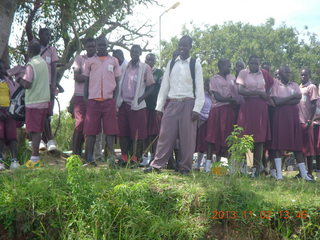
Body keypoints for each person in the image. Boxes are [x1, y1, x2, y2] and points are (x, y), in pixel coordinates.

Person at [145, 35, 205, 174]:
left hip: (189, 103)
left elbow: (200, 88)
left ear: (190, 47)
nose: (183, 48)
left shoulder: (195, 63)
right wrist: (159, 107)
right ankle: (157, 165)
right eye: (181, 45)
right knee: (165, 135)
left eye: (185, 45)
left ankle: (185, 167)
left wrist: (197, 108)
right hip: (172, 103)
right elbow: (164, 86)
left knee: (187, 139)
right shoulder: (172, 63)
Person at [80, 36, 121, 166]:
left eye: (104, 45)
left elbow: (118, 82)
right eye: (100, 45)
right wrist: (86, 98)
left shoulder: (114, 61)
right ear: (96, 46)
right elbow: (86, 81)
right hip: (93, 101)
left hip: (109, 101)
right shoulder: (90, 61)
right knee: (91, 131)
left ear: (107, 45)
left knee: (110, 131)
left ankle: (110, 159)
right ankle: (89, 158)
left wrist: (114, 99)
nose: (102, 47)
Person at [270, 65, 313, 181]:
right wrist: (291, 97)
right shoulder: (275, 85)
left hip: (293, 118)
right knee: (279, 146)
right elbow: (276, 101)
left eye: (289, 72)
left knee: (297, 146)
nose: (288, 74)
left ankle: (304, 174)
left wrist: (286, 100)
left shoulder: (294, 85)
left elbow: (297, 99)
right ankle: (279, 174)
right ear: (280, 73)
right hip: (280, 117)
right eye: (285, 72)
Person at [26, 4, 59, 152]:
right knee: (35, 114)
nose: (49, 37)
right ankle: (40, 141)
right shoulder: (34, 47)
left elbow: (54, 68)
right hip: (34, 86)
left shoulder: (52, 50)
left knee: (46, 114)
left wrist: (53, 86)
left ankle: (48, 140)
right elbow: (27, 28)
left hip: (47, 87)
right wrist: (34, 10)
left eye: (50, 35)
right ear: (40, 36)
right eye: (46, 35)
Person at [116, 45, 155, 166]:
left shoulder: (145, 68)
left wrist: (140, 99)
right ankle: (124, 157)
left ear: (140, 53)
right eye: (132, 52)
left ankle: (135, 158)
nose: (134, 54)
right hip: (123, 104)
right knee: (123, 132)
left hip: (137, 106)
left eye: (136, 52)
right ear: (130, 53)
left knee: (137, 134)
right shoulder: (125, 67)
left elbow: (151, 86)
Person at [236, 55, 274, 177]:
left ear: (259, 64)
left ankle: (256, 170)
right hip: (247, 107)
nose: (254, 65)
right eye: (252, 63)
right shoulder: (243, 73)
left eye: (256, 63)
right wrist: (257, 93)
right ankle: (245, 168)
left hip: (261, 108)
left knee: (259, 140)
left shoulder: (264, 73)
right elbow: (240, 90)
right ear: (248, 63)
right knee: (245, 139)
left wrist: (266, 96)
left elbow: (270, 86)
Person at [17, 40, 50, 168]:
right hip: (43, 100)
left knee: (33, 131)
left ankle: (34, 158)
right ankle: (35, 157)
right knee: (37, 130)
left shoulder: (31, 64)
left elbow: (28, 84)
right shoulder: (43, 63)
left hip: (33, 101)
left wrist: (18, 79)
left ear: (29, 51)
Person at [206, 59, 238, 172]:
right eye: (227, 66)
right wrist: (232, 99)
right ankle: (208, 167)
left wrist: (234, 100)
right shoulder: (214, 79)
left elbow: (237, 94)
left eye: (230, 66)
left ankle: (231, 169)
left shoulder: (232, 78)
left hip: (229, 111)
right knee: (212, 138)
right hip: (217, 110)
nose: (229, 68)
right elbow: (218, 97)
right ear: (220, 66)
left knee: (229, 139)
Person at [71, 37, 96, 156]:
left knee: (90, 127)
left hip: (94, 97)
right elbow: (76, 77)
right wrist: (94, 78)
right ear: (85, 47)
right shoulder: (79, 58)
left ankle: (88, 156)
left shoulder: (98, 60)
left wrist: (85, 77)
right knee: (79, 124)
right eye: (89, 46)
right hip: (80, 96)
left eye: (93, 46)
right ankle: (75, 154)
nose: (91, 48)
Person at [140, 53, 163, 166]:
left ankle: (153, 157)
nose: (149, 62)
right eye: (147, 59)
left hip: (155, 107)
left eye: (152, 60)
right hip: (143, 106)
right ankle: (144, 157)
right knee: (144, 134)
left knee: (154, 133)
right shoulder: (141, 71)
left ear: (155, 61)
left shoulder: (159, 73)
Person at [298, 67, 318, 178]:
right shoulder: (297, 87)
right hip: (298, 122)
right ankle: (302, 171)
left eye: (305, 75)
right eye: (301, 75)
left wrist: (310, 120)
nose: (303, 77)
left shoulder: (312, 87)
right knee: (300, 148)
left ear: (309, 75)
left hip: (307, 122)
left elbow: (314, 104)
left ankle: (310, 172)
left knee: (309, 148)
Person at [0, 60, 19, 170]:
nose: (1, 71)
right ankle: (0, 160)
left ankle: (14, 161)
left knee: (12, 136)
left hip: (9, 112)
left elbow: (14, 97)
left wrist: (10, 110)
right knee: (0, 135)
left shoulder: (8, 81)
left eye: (2, 68)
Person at [194, 79, 212, 171]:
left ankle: (209, 166)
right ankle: (197, 165)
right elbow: (198, 109)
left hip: (211, 122)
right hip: (202, 122)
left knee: (209, 144)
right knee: (201, 144)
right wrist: (204, 117)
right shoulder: (202, 96)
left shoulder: (213, 97)